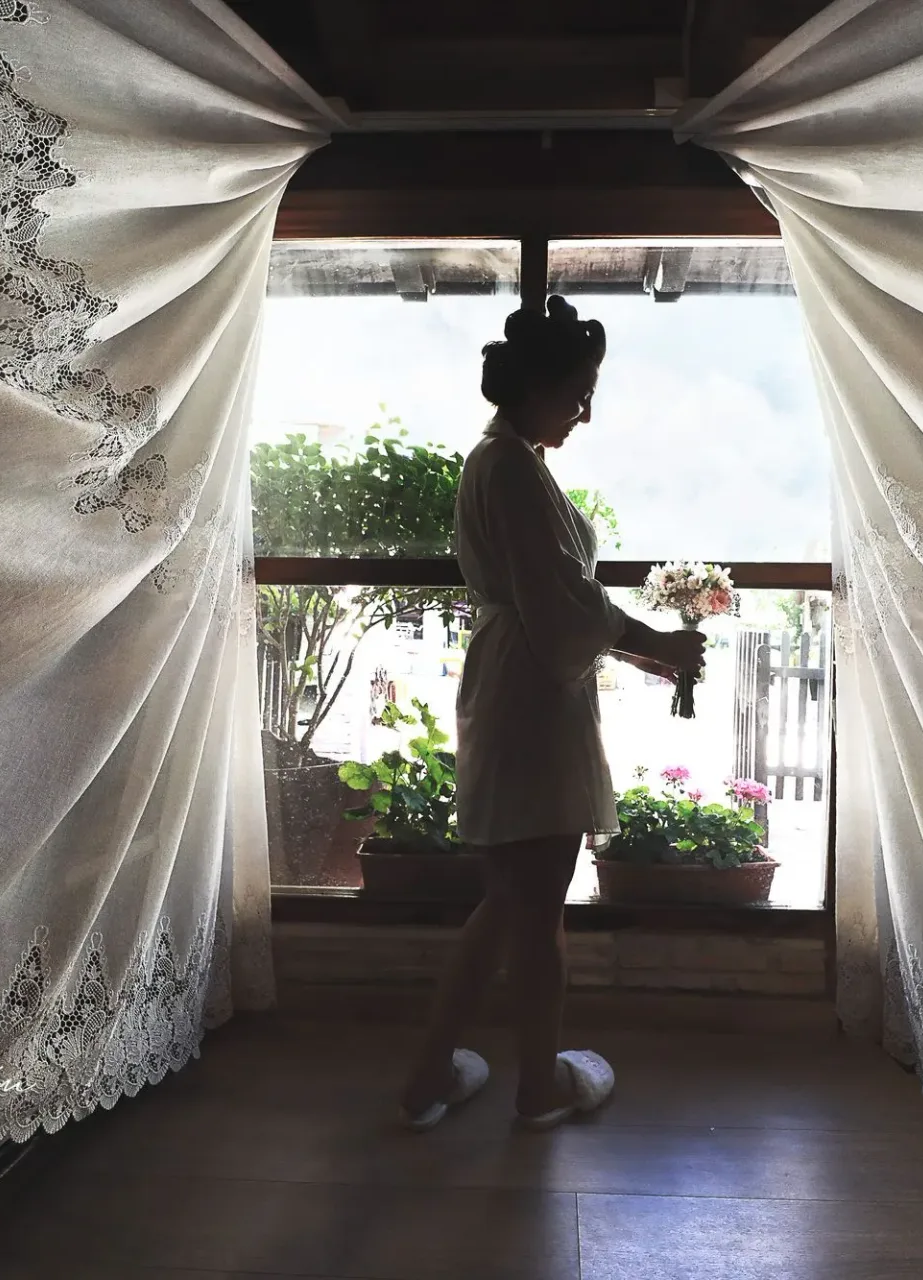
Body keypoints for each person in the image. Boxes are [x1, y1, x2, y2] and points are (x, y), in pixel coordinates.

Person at [397, 297, 707, 1131]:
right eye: (578, 392)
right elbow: (565, 603)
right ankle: (536, 1085)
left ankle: (434, 1075)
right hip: (530, 698)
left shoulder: (507, 460)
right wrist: (662, 646)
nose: (587, 410)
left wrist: (637, 649)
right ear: (535, 387)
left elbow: (558, 605)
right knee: (532, 907)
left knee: (515, 902)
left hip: (523, 684)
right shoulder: (506, 467)